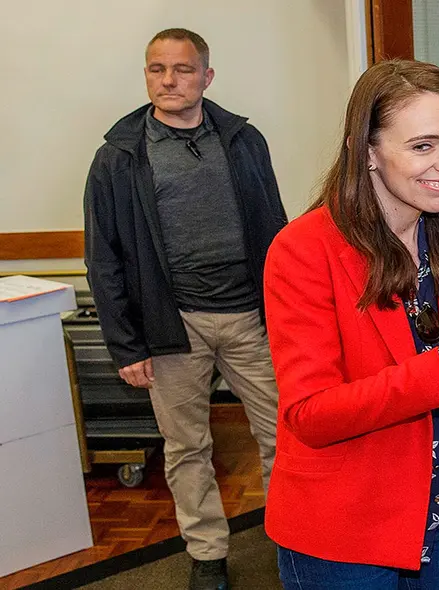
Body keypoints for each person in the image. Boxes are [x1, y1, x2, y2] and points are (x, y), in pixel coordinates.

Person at [262, 60, 439, 590]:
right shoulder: (303, 249)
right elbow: (311, 415)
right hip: (346, 522)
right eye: (423, 145)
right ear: (365, 150)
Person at [83, 28, 286, 590]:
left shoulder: (244, 141)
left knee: (285, 437)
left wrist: (291, 314)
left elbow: (277, 229)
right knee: (187, 447)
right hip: (172, 327)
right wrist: (126, 344)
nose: (168, 81)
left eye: (182, 69)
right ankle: (207, 554)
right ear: (146, 75)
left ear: (206, 76)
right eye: (156, 70)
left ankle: (293, 538)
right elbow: (104, 259)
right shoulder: (118, 158)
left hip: (252, 319)